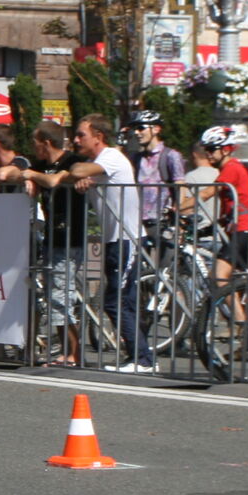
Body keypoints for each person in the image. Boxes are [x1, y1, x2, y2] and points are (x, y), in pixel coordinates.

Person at [70, 114, 152, 372]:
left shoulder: (111, 157)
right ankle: (139, 357)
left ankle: (143, 359)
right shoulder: (98, 162)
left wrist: (80, 174)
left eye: (81, 134)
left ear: (98, 136)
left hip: (127, 239)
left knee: (117, 301)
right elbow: (84, 175)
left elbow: (78, 170)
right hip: (114, 241)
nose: (76, 140)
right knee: (117, 300)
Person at [21, 122, 87, 367]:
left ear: (46, 143)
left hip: (70, 237)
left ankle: (73, 354)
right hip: (52, 237)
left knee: (62, 296)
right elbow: (27, 174)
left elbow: (54, 181)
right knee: (55, 294)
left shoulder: (71, 161)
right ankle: (68, 353)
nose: (33, 149)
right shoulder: (41, 165)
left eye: (35, 143)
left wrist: (33, 176)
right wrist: (30, 179)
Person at [199, 125, 248, 287]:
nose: (207, 154)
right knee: (235, 283)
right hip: (239, 230)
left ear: (226, 149)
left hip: (243, 230)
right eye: (206, 150)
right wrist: (206, 229)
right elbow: (230, 211)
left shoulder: (232, 168)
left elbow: (205, 194)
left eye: (212, 149)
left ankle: (238, 314)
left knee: (218, 277)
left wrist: (178, 208)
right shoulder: (230, 168)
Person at [126, 110, 187, 234]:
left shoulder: (171, 155)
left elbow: (180, 186)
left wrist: (176, 216)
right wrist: (120, 142)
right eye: (134, 129)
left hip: (163, 221)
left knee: (169, 253)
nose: (136, 133)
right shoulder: (135, 158)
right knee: (138, 254)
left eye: (141, 128)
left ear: (156, 129)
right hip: (138, 221)